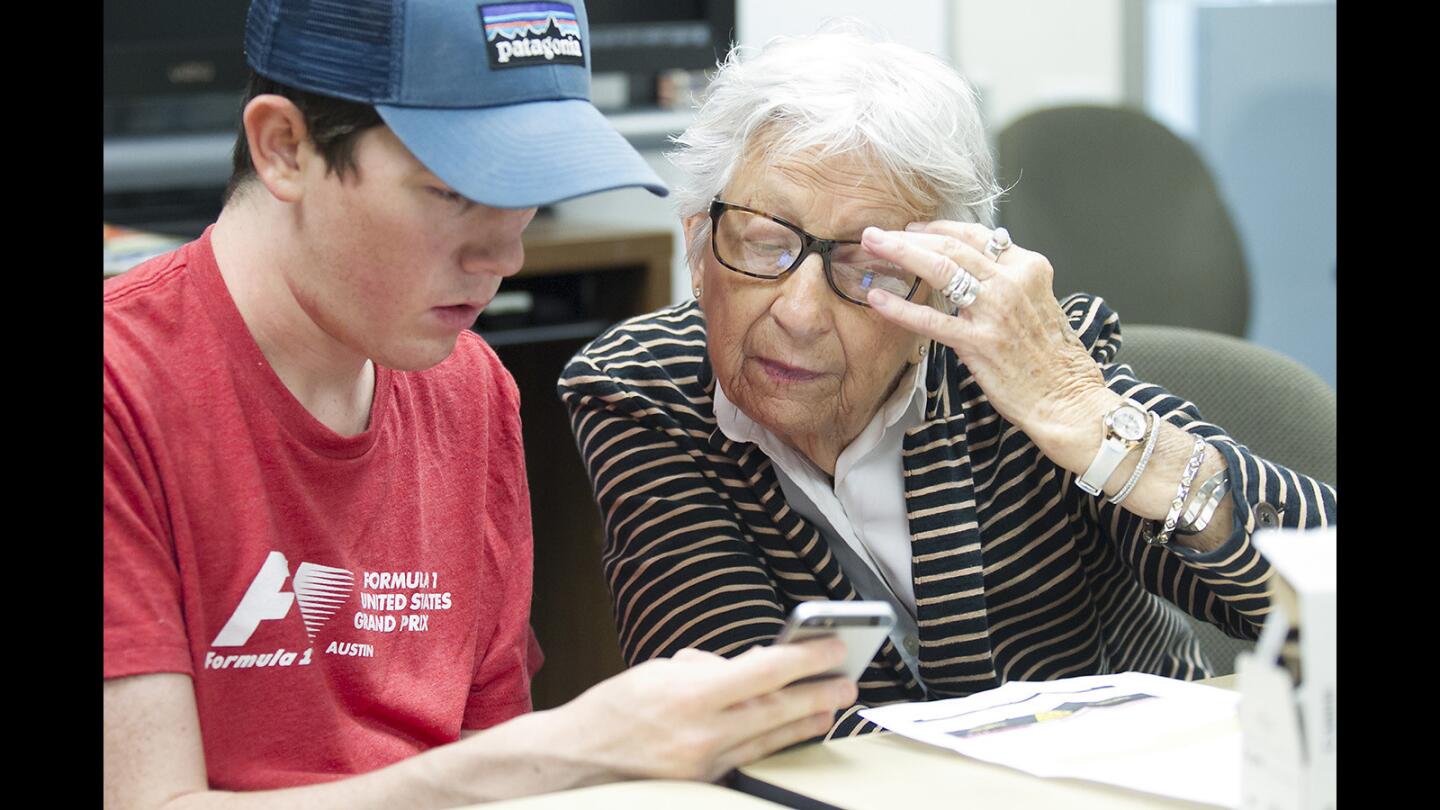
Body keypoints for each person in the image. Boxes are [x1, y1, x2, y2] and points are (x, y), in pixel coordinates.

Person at [103, 1, 858, 806]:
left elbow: (486, 768)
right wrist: (571, 750)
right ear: (285, 148)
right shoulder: (126, 389)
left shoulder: (469, 386)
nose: (506, 253)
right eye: (454, 190)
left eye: (533, 189)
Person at [557, 26, 1337, 738]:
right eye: (764, 246)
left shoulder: (1014, 365)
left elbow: (1318, 606)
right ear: (697, 246)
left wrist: (1087, 417)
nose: (798, 312)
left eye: (868, 270)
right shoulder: (642, 393)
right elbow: (743, 721)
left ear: (941, 280)